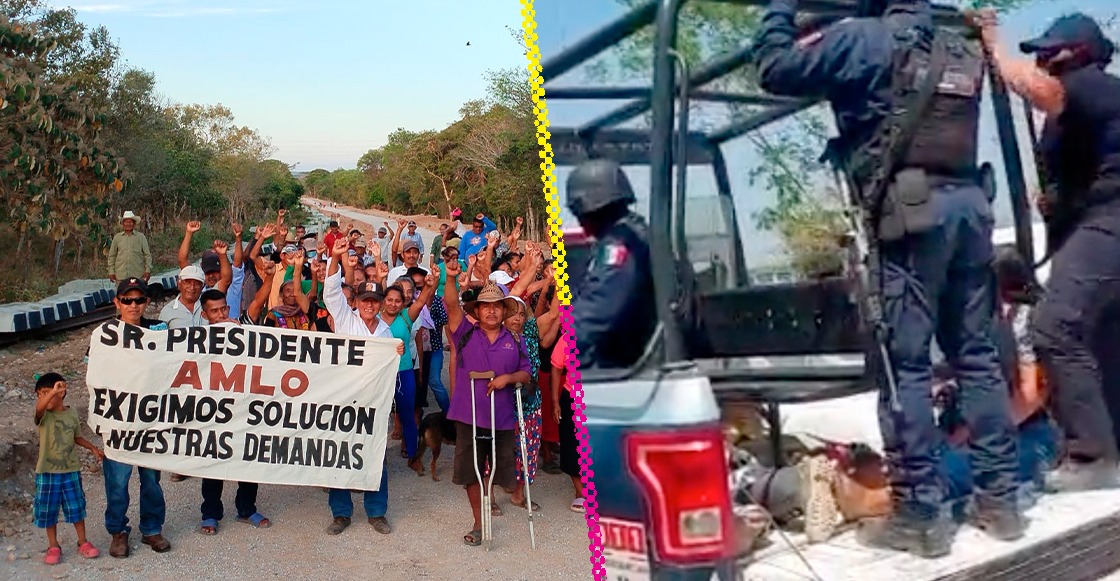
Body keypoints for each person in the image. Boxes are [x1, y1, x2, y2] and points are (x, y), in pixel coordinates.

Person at [752, 0, 1022, 557]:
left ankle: (921, 514)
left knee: (906, 367)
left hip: (911, 218)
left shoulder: (862, 39)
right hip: (972, 210)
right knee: (977, 358)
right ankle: (1000, 502)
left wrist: (780, 10)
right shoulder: (961, 48)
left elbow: (774, 69)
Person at [975, 10, 1120, 492]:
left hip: (1111, 222)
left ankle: (1094, 455)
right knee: (1101, 338)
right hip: (1092, 222)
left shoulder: (1090, 84)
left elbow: (1040, 91)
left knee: (1054, 324)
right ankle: (1111, 445)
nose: (1041, 59)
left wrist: (996, 47)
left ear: (1077, 53)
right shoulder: (1082, 103)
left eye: (1048, 50)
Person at [441, 259, 532, 547]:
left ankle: (489, 497)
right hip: (469, 414)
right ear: (477, 311)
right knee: (471, 468)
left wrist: (508, 379)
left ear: (504, 311)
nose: (491, 310)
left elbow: (526, 373)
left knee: (499, 469)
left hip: (502, 415)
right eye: (485, 306)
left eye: (496, 306)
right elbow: (452, 305)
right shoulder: (465, 333)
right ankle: (479, 522)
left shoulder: (515, 340)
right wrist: (452, 278)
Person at [322, 237, 406, 536]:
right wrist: (335, 257)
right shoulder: (345, 319)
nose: (369, 305)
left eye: (374, 301)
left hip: (373, 403)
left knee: (374, 454)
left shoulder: (385, 331)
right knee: (339, 453)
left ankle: (376, 511)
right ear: (356, 302)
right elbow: (331, 291)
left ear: (381, 303)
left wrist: (394, 355)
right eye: (364, 301)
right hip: (343, 399)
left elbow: (388, 371)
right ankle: (341, 512)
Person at [101, 278, 172, 557]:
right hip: (118, 420)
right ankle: (118, 532)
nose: (133, 305)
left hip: (151, 420)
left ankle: (152, 529)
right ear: (117, 303)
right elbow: (95, 376)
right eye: (127, 300)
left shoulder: (159, 330)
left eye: (139, 300)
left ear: (146, 302)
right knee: (117, 482)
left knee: (152, 480)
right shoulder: (105, 334)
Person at [566, 158, 656, 370]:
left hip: (628, 368)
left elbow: (593, 315)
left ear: (588, 207)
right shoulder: (640, 234)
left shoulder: (621, 245)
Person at [195, 289, 272, 535]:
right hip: (214, 410)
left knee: (249, 457)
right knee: (214, 461)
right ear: (205, 314)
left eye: (224, 309)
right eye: (214, 311)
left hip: (244, 407)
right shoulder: (197, 338)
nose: (221, 315)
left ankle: (247, 508)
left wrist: (243, 334)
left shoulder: (242, 328)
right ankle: (210, 513)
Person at [33, 372, 104, 565]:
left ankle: (83, 541)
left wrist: (92, 448)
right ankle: (53, 545)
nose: (44, 397)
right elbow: (39, 407)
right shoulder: (43, 415)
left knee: (76, 508)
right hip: (47, 472)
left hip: (70, 470)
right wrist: (49, 394)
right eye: (41, 394)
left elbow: (76, 437)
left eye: (48, 392)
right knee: (49, 510)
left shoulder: (71, 413)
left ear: (62, 392)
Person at [107, 210, 151, 283]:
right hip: (121, 276)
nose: (128, 224)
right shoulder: (117, 238)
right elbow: (112, 256)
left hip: (138, 275)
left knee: (139, 294)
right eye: (126, 222)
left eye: (130, 222)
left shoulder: (141, 237)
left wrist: (147, 271)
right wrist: (111, 271)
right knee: (121, 294)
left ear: (134, 224)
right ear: (123, 224)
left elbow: (147, 255)